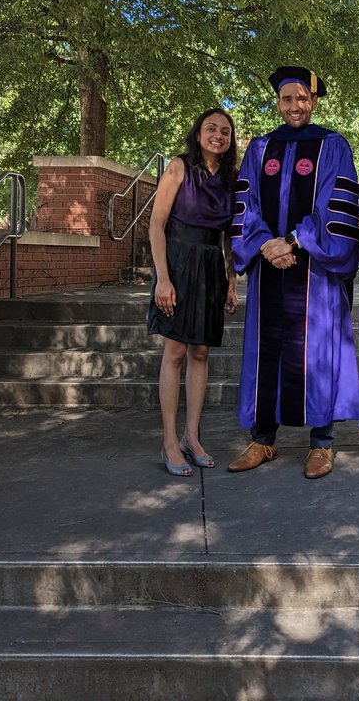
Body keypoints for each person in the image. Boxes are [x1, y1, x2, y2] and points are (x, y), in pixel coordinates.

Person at [228, 65, 359, 479]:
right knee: (267, 353)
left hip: (314, 271)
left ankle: (322, 444)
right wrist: (265, 243)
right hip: (270, 270)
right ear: (278, 103)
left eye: (303, 98)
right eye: (287, 99)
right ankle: (262, 439)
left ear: (315, 101)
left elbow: (336, 203)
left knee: (317, 352)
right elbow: (244, 201)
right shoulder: (260, 148)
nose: (295, 106)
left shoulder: (332, 145)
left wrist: (294, 241)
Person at [148, 108, 240, 477]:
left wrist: (232, 280)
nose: (218, 135)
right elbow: (156, 225)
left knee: (201, 352)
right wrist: (163, 278)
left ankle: (192, 437)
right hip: (178, 261)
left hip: (211, 265)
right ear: (198, 133)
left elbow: (229, 237)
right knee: (175, 352)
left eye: (225, 131)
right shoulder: (178, 168)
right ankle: (169, 440)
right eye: (211, 128)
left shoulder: (232, 179)